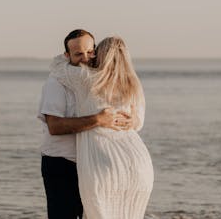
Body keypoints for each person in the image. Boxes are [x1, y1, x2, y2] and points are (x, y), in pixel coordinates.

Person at [49, 36, 154, 219]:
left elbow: (58, 65)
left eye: (93, 52)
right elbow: (138, 123)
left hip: (103, 162)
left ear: (100, 55)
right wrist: (131, 121)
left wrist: (80, 51)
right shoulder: (133, 85)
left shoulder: (86, 79)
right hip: (139, 163)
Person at [38, 29, 133, 219]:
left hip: (91, 163)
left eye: (90, 52)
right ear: (67, 55)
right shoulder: (57, 82)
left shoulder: (95, 79)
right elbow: (55, 126)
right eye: (78, 54)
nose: (86, 58)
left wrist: (129, 120)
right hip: (62, 163)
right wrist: (98, 120)